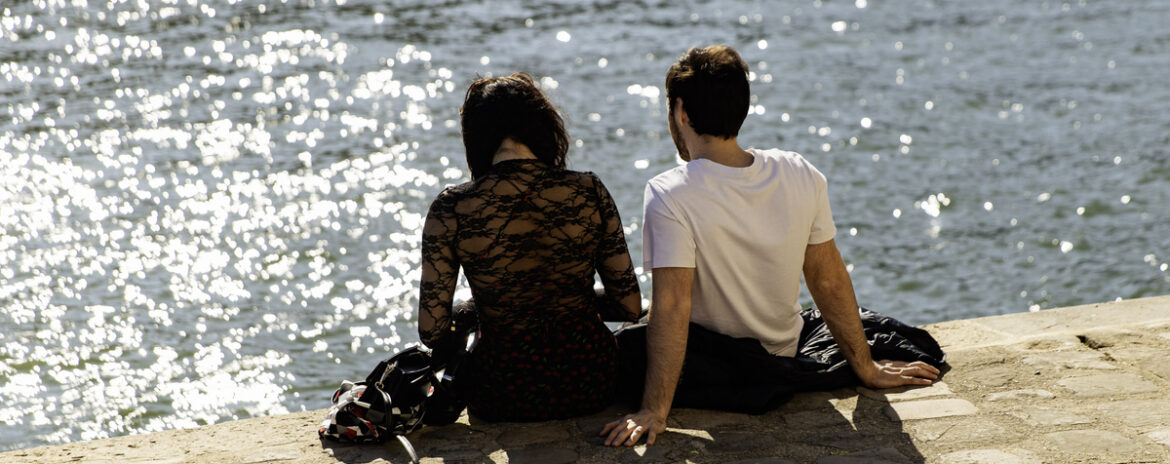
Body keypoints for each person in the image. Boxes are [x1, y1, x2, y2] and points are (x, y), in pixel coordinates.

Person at [601, 46, 944, 446]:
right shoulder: (799, 170)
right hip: (786, 350)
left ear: (680, 112)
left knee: (624, 345)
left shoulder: (669, 193)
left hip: (717, 363)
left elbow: (673, 304)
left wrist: (654, 411)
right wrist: (865, 367)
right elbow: (828, 280)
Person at [417, 72, 642, 422]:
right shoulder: (588, 191)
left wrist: (480, 308)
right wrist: (568, 297)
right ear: (544, 127)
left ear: (475, 137)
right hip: (590, 382)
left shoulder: (452, 208)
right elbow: (630, 306)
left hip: (500, 392)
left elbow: (431, 331)